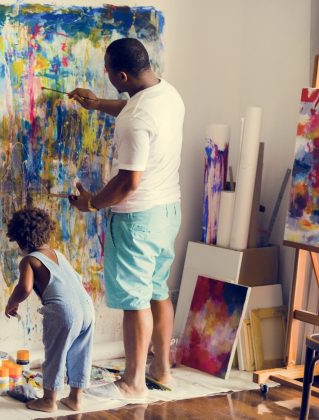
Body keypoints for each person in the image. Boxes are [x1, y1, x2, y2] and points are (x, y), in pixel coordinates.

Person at [68, 37, 184, 401]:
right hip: (168, 210)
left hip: (137, 218)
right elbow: (136, 111)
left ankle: (133, 383)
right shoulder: (167, 93)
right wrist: (99, 104)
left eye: (108, 73)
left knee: (135, 300)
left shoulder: (135, 119)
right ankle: (161, 371)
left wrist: (92, 203)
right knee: (156, 292)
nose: (106, 76)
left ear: (121, 74)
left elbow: (128, 182)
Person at [5, 207, 95, 412]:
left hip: (64, 311)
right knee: (81, 352)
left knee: (56, 353)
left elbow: (25, 288)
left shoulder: (29, 260)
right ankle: (75, 399)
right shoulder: (58, 255)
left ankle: (49, 400)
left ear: (19, 240)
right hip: (87, 308)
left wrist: (12, 302)